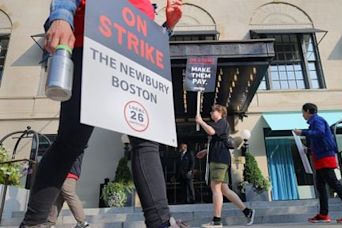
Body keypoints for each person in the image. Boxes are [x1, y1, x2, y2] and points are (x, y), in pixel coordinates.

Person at [20, 1, 186, 228]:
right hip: (92, 42)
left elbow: (149, 37)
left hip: (137, 59)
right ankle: (33, 223)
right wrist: (61, 17)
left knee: (147, 142)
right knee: (71, 141)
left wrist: (168, 26)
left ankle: (161, 223)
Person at [294, 103, 342, 223]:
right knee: (321, 186)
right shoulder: (314, 122)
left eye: (303, 112)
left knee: (334, 184)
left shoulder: (317, 120)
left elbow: (320, 133)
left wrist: (303, 132)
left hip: (325, 156)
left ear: (308, 111)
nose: (302, 115)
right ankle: (323, 214)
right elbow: (321, 139)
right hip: (321, 156)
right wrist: (309, 150)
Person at [195, 104, 255, 227]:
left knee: (215, 188)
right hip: (221, 158)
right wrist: (206, 151)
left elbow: (211, 132)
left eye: (213, 111)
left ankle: (216, 221)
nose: (211, 113)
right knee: (224, 189)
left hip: (218, 160)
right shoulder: (222, 124)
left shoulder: (221, 122)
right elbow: (219, 141)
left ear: (221, 113)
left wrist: (201, 122)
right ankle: (247, 211)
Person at [48, 154, 89, 228]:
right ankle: (50, 223)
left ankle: (82, 222)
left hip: (67, 172)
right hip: (66, 172)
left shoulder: (74, 143)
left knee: (70, 195)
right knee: (58, 197)